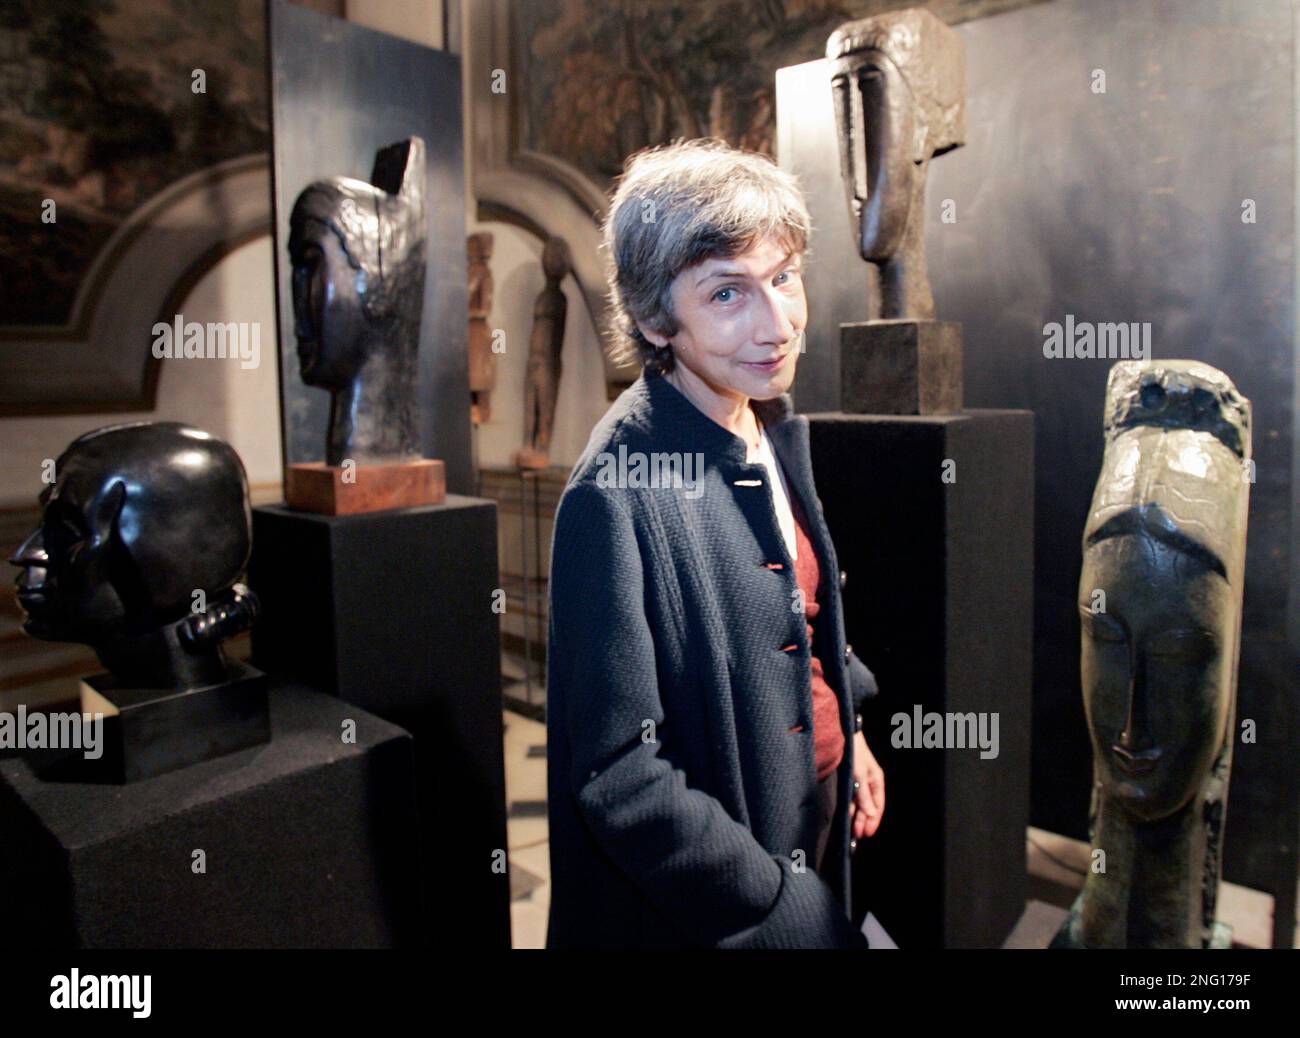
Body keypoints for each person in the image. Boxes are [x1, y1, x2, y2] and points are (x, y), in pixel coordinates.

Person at [545, 137, 885, 949]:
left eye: (784, 278)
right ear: (657, 317)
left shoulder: (759, 417)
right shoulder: (614, 492)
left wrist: (854, 734)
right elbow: (619, 771)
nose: (779, 324)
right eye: (728, 294)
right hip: (725, 892)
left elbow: (799, 616)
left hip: (812, 808)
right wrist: (769, 900)